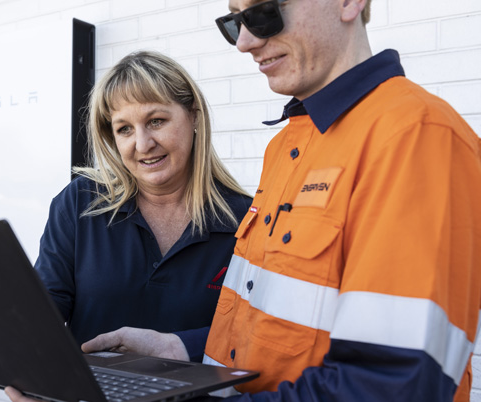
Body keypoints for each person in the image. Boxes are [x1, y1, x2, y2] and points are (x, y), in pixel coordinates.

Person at [70, 0, 481, 401]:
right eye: (233, 23)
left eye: (265, 13)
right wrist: (178, 349)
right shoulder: (286, 145)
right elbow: (268, 334)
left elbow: (394, 384)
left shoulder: (417, 138)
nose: (244, 42)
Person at [33, 50, 252, 347]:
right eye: (124, 129)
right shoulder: (80, 203)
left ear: (194, 117)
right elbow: (43, 312)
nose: (143, 144)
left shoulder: (245, 220)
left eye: (156, 121)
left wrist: (182, 346)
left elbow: (254, 334)